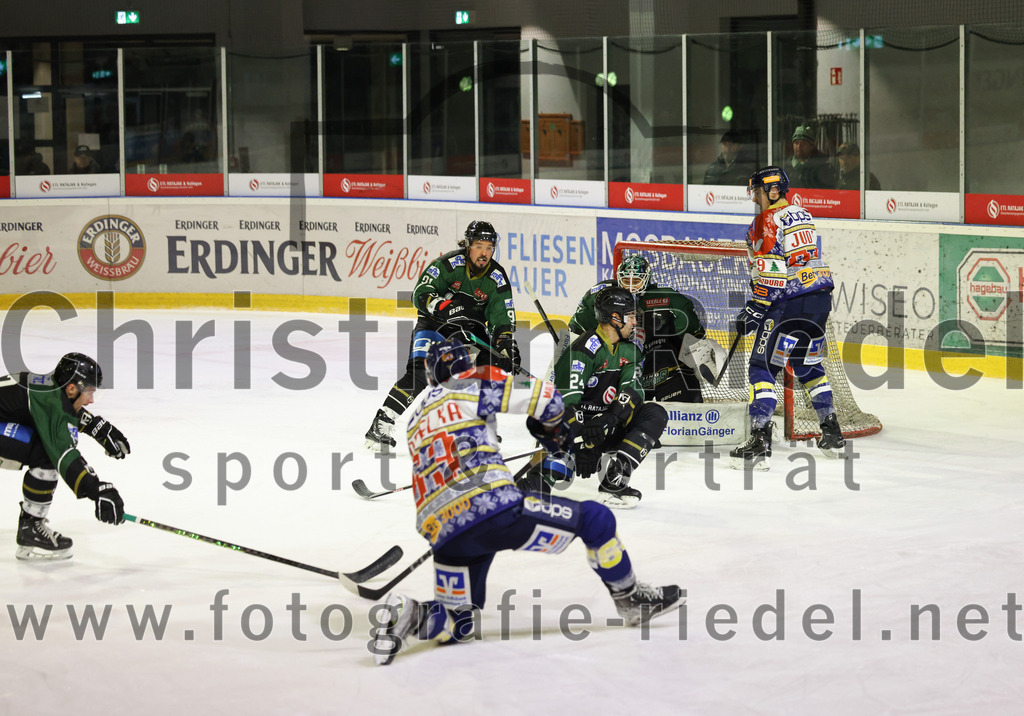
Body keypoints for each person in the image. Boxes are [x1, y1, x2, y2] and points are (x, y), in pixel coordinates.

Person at [370, 337, 682, 666]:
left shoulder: (417, 416)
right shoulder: (473, 382)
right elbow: (546, 397)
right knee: (595, 519)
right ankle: (630, 599)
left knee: (458, 622)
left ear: (429, 373)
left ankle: (407, 613)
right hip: (491, 508)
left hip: (441, 531)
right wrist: (555, 437)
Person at [364, 220, 520, 452]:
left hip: (470, 329)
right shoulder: (448, 265)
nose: (484, 253)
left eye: (489, 248)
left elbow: (501, 319)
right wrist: (443, 306)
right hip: (435, 324)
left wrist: (505, 345)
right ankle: (382, 423)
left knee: (490, 367)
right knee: (419, 372)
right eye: (479, 246)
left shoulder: (497, 278)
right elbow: (420, 293)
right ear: (467, 245)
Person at [730, 166, 847, 471]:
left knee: (762, 365)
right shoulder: (802, 213)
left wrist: (754, 310)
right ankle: (831, 430)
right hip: (819, 301)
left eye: (757, 191)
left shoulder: (765, 221)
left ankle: (758, 440)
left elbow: (773, 274)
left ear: (772, 190)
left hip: (790, 303)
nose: (754, 198)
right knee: (805, 364)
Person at [0, 353, 129, 560]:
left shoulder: (49, 389)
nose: (92, 400)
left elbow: (58, 411)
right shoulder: (53, 404)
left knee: (41, 445)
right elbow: (64, 455)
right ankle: (30, 529)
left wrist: (96, 426)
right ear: (71, 389)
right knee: (45, 454)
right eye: (89, 392)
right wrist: (96, 489)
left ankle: (30, 526)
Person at [551, 286, 667, 508]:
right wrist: (582, 443)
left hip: (602, 428)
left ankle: (614, 483)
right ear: (615, 317)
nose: (635, 322)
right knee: (553, 471)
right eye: (631, 316)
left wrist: (611, 417)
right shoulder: (584, 349)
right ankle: (535, 482)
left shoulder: (629, 352)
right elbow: (563, 405)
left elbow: (633, 391)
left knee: (655, 414)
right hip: (574, 429)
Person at [568, 256, 724, 404]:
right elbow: (575, 332)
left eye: (635, 281)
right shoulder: (601, 297)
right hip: (618, 368)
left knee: (677, 378)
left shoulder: (668, 299)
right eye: (626, 280)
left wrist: (701, 355)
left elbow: (695, 335)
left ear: (646, 280)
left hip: (660, 368)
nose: (629, 286)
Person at [788, 125, 837, 190]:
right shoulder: (788, 165)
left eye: (803, 143)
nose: (799, 147)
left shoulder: (822, 165)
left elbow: (827, 194)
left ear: (811, 146)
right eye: (796, 143)